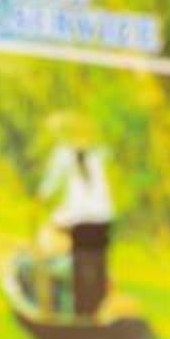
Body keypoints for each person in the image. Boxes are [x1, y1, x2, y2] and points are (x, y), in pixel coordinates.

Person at [37, 132, 115, 318]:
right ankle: (96, 311)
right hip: (103, 219)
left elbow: (52, 183)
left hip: (83, 220)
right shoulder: (97, 154)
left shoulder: (64, 154)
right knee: (97, 265)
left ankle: (82, 312)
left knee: (81, 266)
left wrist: (41, 197)